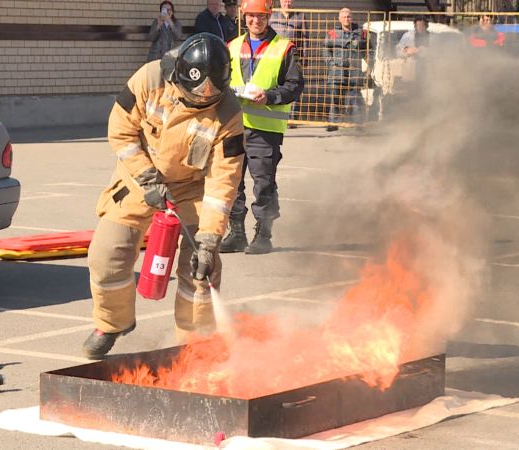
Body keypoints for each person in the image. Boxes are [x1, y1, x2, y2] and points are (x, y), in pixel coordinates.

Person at [83, 33, 245, 359]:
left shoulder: (228, 114)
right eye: (196, 95)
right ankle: (112, 323)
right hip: (139, 177)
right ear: (180, 76)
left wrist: (210, 238)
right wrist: (145, 176)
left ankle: (194, 347)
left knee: (202, 268)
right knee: (106, 254)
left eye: (210, 98)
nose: (203, 102)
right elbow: (120, 130)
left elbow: (223, 180)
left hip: (191, 188)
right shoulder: (149, 79)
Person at [219, 0, 304, 254]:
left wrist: (270, 96)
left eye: (261, 16)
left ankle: (263, 234)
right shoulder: (232, 46)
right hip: (234, 125)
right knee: (232, 181)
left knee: (263, 182)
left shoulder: (284, 48)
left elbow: (295, 85)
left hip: (265, 128)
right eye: (251, 16)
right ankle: (236, 233)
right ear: (243, 17)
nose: (256, 21)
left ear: (269, 17)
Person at [323, 7, 370, 132]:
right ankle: (333, 123)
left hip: (354, 71)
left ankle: (358, 124)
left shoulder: (361, 32)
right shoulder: (332, 33)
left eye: (348, 16)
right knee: (335, 98)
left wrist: (369, 63)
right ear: (339, 19)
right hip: (337, 71)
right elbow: (325, 48)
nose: (346, 19)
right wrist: (330, 61)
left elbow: (369, 48)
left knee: (355, 99)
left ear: (352, 18)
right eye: (344, 17)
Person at [395, 15, 431, 85]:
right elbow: (398, 51)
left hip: (427, 70)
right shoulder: (408, 36)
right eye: (418, 25)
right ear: (415, 26)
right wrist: (407, 51)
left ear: (426, 26)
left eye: (422, 25)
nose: (420, 27)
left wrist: (425, 51)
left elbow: (437, 51)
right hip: (410, 69)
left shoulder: (431, 36)